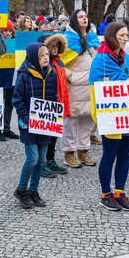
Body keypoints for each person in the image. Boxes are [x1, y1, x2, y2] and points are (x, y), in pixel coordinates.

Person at [89, 22, 129, 211]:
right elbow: (95, 89)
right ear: (111, 36)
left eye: (126, 35)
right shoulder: (100, 60)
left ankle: (120, 192)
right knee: (109, 155)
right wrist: (99, 117)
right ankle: (105, 194)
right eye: (122, 35)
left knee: (124, 156)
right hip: (110, 116)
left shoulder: (128, 59)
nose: (126, 38)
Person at [12, 43, 57, 209]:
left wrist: (55, 115)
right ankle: (21, 189)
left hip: (45, 125)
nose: (46, 58)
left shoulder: (52, 74)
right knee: (33, 158)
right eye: (42, 56)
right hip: (28, 125)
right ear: (33, 58)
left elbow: (54, 96)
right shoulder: (24, 75)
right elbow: (17, 99)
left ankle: (34, 190)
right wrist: (25, 117)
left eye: (47, 55)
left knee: (41, 160)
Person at [61, 9, 100, 167]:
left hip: (91, 85)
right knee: (72, 121)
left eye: (85, 16)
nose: (84, 18)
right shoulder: (67, 39)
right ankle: (69, 152)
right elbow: (59, 61)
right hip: (75, 86)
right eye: (80, 16)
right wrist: (70, 77)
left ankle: (83, 151)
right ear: (74, 20)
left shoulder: (93, 38)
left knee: (88, 119)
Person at [41, 34, 70, 177]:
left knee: (54, 135)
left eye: (57, 45)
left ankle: (50, 160)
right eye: (52, 45)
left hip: (58, 103)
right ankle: (43, 163)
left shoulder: (59, 62)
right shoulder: (45, 63)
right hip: (48, 104)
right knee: (46, 136)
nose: (55, 48)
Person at [0, 20, 18, 141]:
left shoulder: (15, 43)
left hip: (12, 78)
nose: (7, 33)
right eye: (5, 31)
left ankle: (6, 128)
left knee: (9, 105)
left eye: (9, 31)